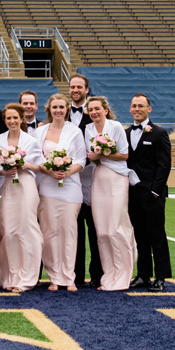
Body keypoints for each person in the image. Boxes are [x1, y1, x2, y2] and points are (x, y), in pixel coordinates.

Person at [83, 94, 136, 292]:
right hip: (99, 178)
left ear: (105, 110)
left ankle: (123, 274)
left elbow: (124, 154)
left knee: (116, 227)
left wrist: (103, 153)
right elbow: (90, 156)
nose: (94, 112)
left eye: (97, 108)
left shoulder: (115, 127)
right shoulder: (88, 129)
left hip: (116, 177)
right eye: (91, 109)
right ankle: (110, 274)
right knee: (103, 230)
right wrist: (93, 157)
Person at [35, 94, 87, 292]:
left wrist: (66, 172)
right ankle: (54, 277)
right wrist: (50, 171)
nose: (58, 110)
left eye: (61, 107)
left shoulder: (74, 130)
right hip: (47, 186)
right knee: (49, 233)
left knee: (69, 232)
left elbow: (81, 159)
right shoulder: (40, 131)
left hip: (71, 187)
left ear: (67, 109)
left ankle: (69, 276)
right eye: (54, 107)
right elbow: (37, 158)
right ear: (49, 109)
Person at [0, 103, 43, 292]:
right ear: (4, 120)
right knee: (9, 231)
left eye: (15, 118)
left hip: (26, 186)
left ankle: (28, 276)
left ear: (21, 119)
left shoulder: (31, 140)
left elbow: (40, 166)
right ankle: (11, 275)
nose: (12, 121)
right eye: (8, 118)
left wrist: (24, 165)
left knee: (26, 229)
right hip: (9, 188)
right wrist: (5, 170)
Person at [126, 93, 173, 290]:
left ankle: (161, 277)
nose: (137, 109)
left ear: (148, 109)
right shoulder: (126, 133)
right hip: (133, 194)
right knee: (140, 237)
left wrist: (155, 191)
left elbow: (164, 165)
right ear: (130, 109)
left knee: (157, 236)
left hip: (152, 195)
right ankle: (143, 275)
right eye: (134, 105)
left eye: (141, 106)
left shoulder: (159, 133)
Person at [67, 72, 101, 288]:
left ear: (87, 90)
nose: (76, 90)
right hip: (70, 183)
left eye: (79, 87)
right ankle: (75, 276)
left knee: (96, 231)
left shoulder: (96, 114)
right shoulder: (61, 114)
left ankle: (98, 275)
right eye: (73, 87)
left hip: (95, 182)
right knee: (74, 232)